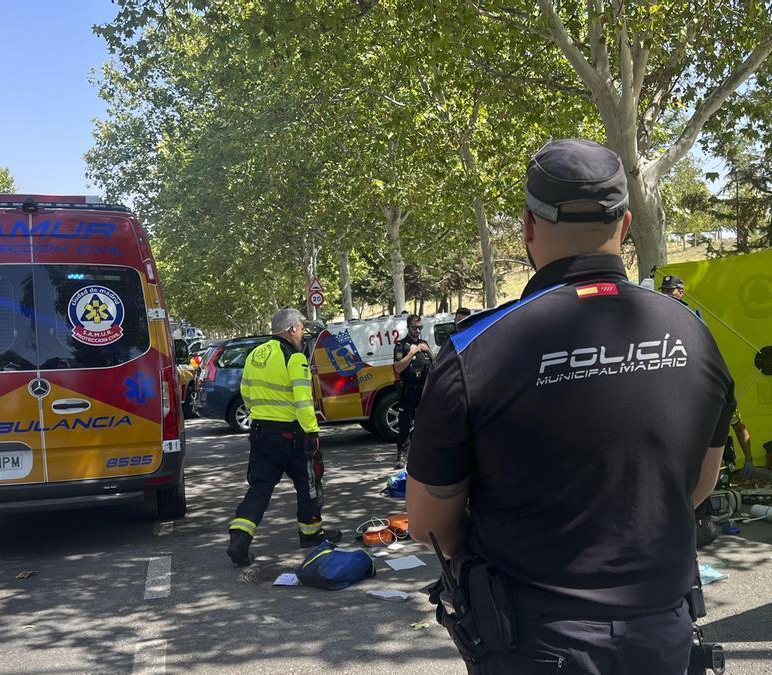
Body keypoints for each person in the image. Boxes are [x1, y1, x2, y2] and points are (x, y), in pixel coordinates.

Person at [407, 138, 736, 674]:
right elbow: (699, 485)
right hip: (663, 635)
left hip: (530, 639)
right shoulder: (695, 335)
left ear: (528, 227)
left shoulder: (475, 351)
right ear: (626, 225)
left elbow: (428, 524)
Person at [227, 308, 341, 566]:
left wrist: (261, 414)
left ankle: (240, 537)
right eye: (301, 328)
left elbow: (245, 391)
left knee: (260, 487)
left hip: (261, 432)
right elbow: (303, 399)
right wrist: (312, 432)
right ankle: (311, 534)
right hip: (292, 434)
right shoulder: (295, 357)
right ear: (291, 330)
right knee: (309, 484)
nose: (302, 332)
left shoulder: (256, 353)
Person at [392, 314, 432, 468]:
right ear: (408, 328)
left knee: (425, 424)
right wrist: (411, 353)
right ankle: (402, 456)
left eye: (420, 328)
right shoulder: (401, 345)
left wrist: (428, 351)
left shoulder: (424, 343)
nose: (417, 331)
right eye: (415, 328)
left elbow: (436, 363)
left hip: (424, 390)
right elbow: (398, 367)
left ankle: (422, 454)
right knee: (405, 424)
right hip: (409, 390)